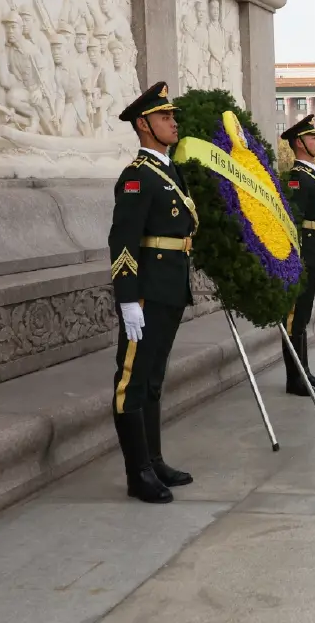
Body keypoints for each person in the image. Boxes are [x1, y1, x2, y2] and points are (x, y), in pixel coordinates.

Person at [107, 81, 197, 504]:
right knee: (132, 382)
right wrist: (127, 298)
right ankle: (137, 473)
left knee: (155, 379)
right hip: (144, 293)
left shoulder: (168, 171)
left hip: (169, 288)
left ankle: (155, 460)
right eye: (165, 117)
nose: (173, 123)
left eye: (172, 116)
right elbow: (123, 242)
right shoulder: (136, 177)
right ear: (144, 125)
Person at [280, 114, 315, 394]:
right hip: (303, 253)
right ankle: (295, 378)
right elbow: (292, 222)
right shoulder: (297, 179)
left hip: (314, 250)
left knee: (302, 316)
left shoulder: (313, 174)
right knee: (295, 317)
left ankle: (304, 371)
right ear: (299, 143)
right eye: (312, 138)